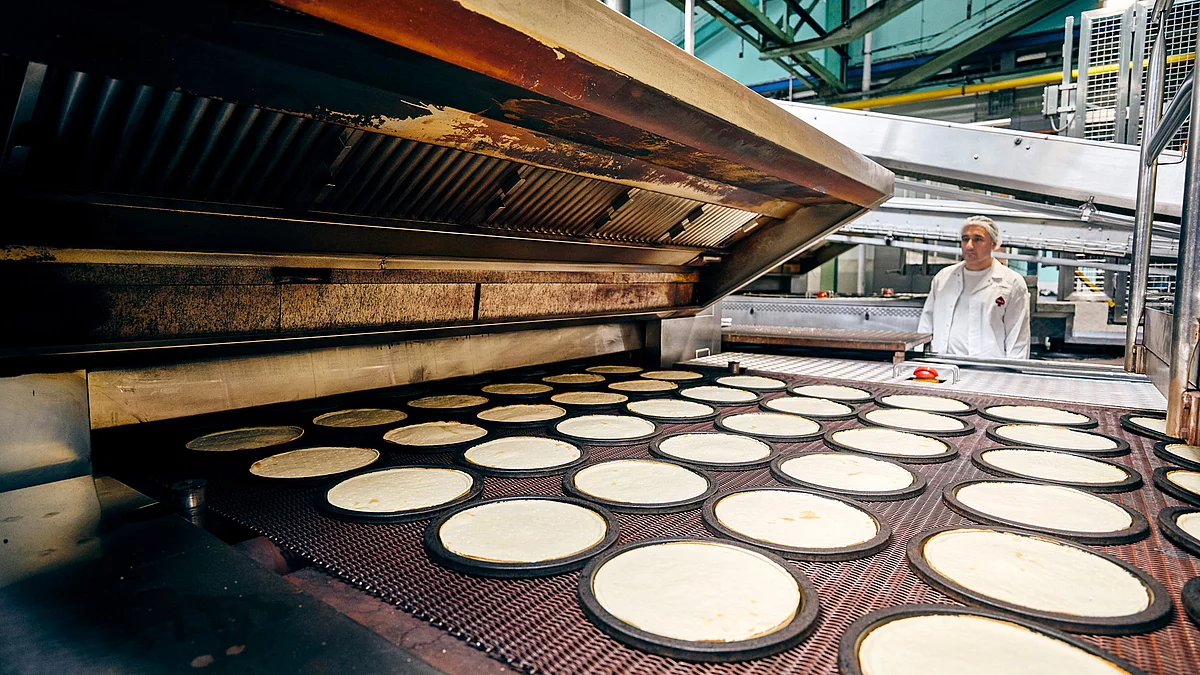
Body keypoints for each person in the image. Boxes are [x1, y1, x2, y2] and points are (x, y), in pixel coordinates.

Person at [917, 215, 1031, 359]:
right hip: (943, 366)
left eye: (978, 239)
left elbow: (1018, 338)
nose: (969, 245)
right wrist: (919, 360)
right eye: (965, 239)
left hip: (990, 370)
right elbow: (926, 324)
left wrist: (1014, 375)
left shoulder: (1012, 283)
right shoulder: (943, 278)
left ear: (993, 244)